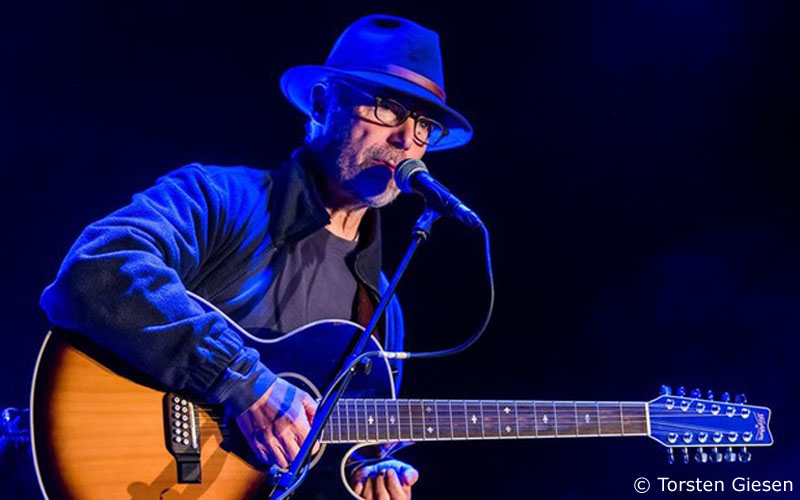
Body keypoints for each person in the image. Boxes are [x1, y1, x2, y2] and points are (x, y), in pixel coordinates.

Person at [40, 14, 472, 499]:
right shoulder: (221, 198)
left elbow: (308, 471)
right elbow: (98, 269)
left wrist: (359, 482)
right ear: (323, 102)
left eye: (423, 127)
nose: (405, 140)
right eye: (388, 108)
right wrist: (239, 379)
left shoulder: (384, 310)